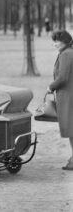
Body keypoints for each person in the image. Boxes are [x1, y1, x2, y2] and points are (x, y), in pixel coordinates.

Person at [47, 30, 73, 171]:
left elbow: (63, 77)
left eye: (57, 41)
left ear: (65, 41)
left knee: (71, 130)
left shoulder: (66, 54)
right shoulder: (68, 53)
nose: (55, 44)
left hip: (68, 97)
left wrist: (51, 86)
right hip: (69, 95)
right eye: (54, 41)